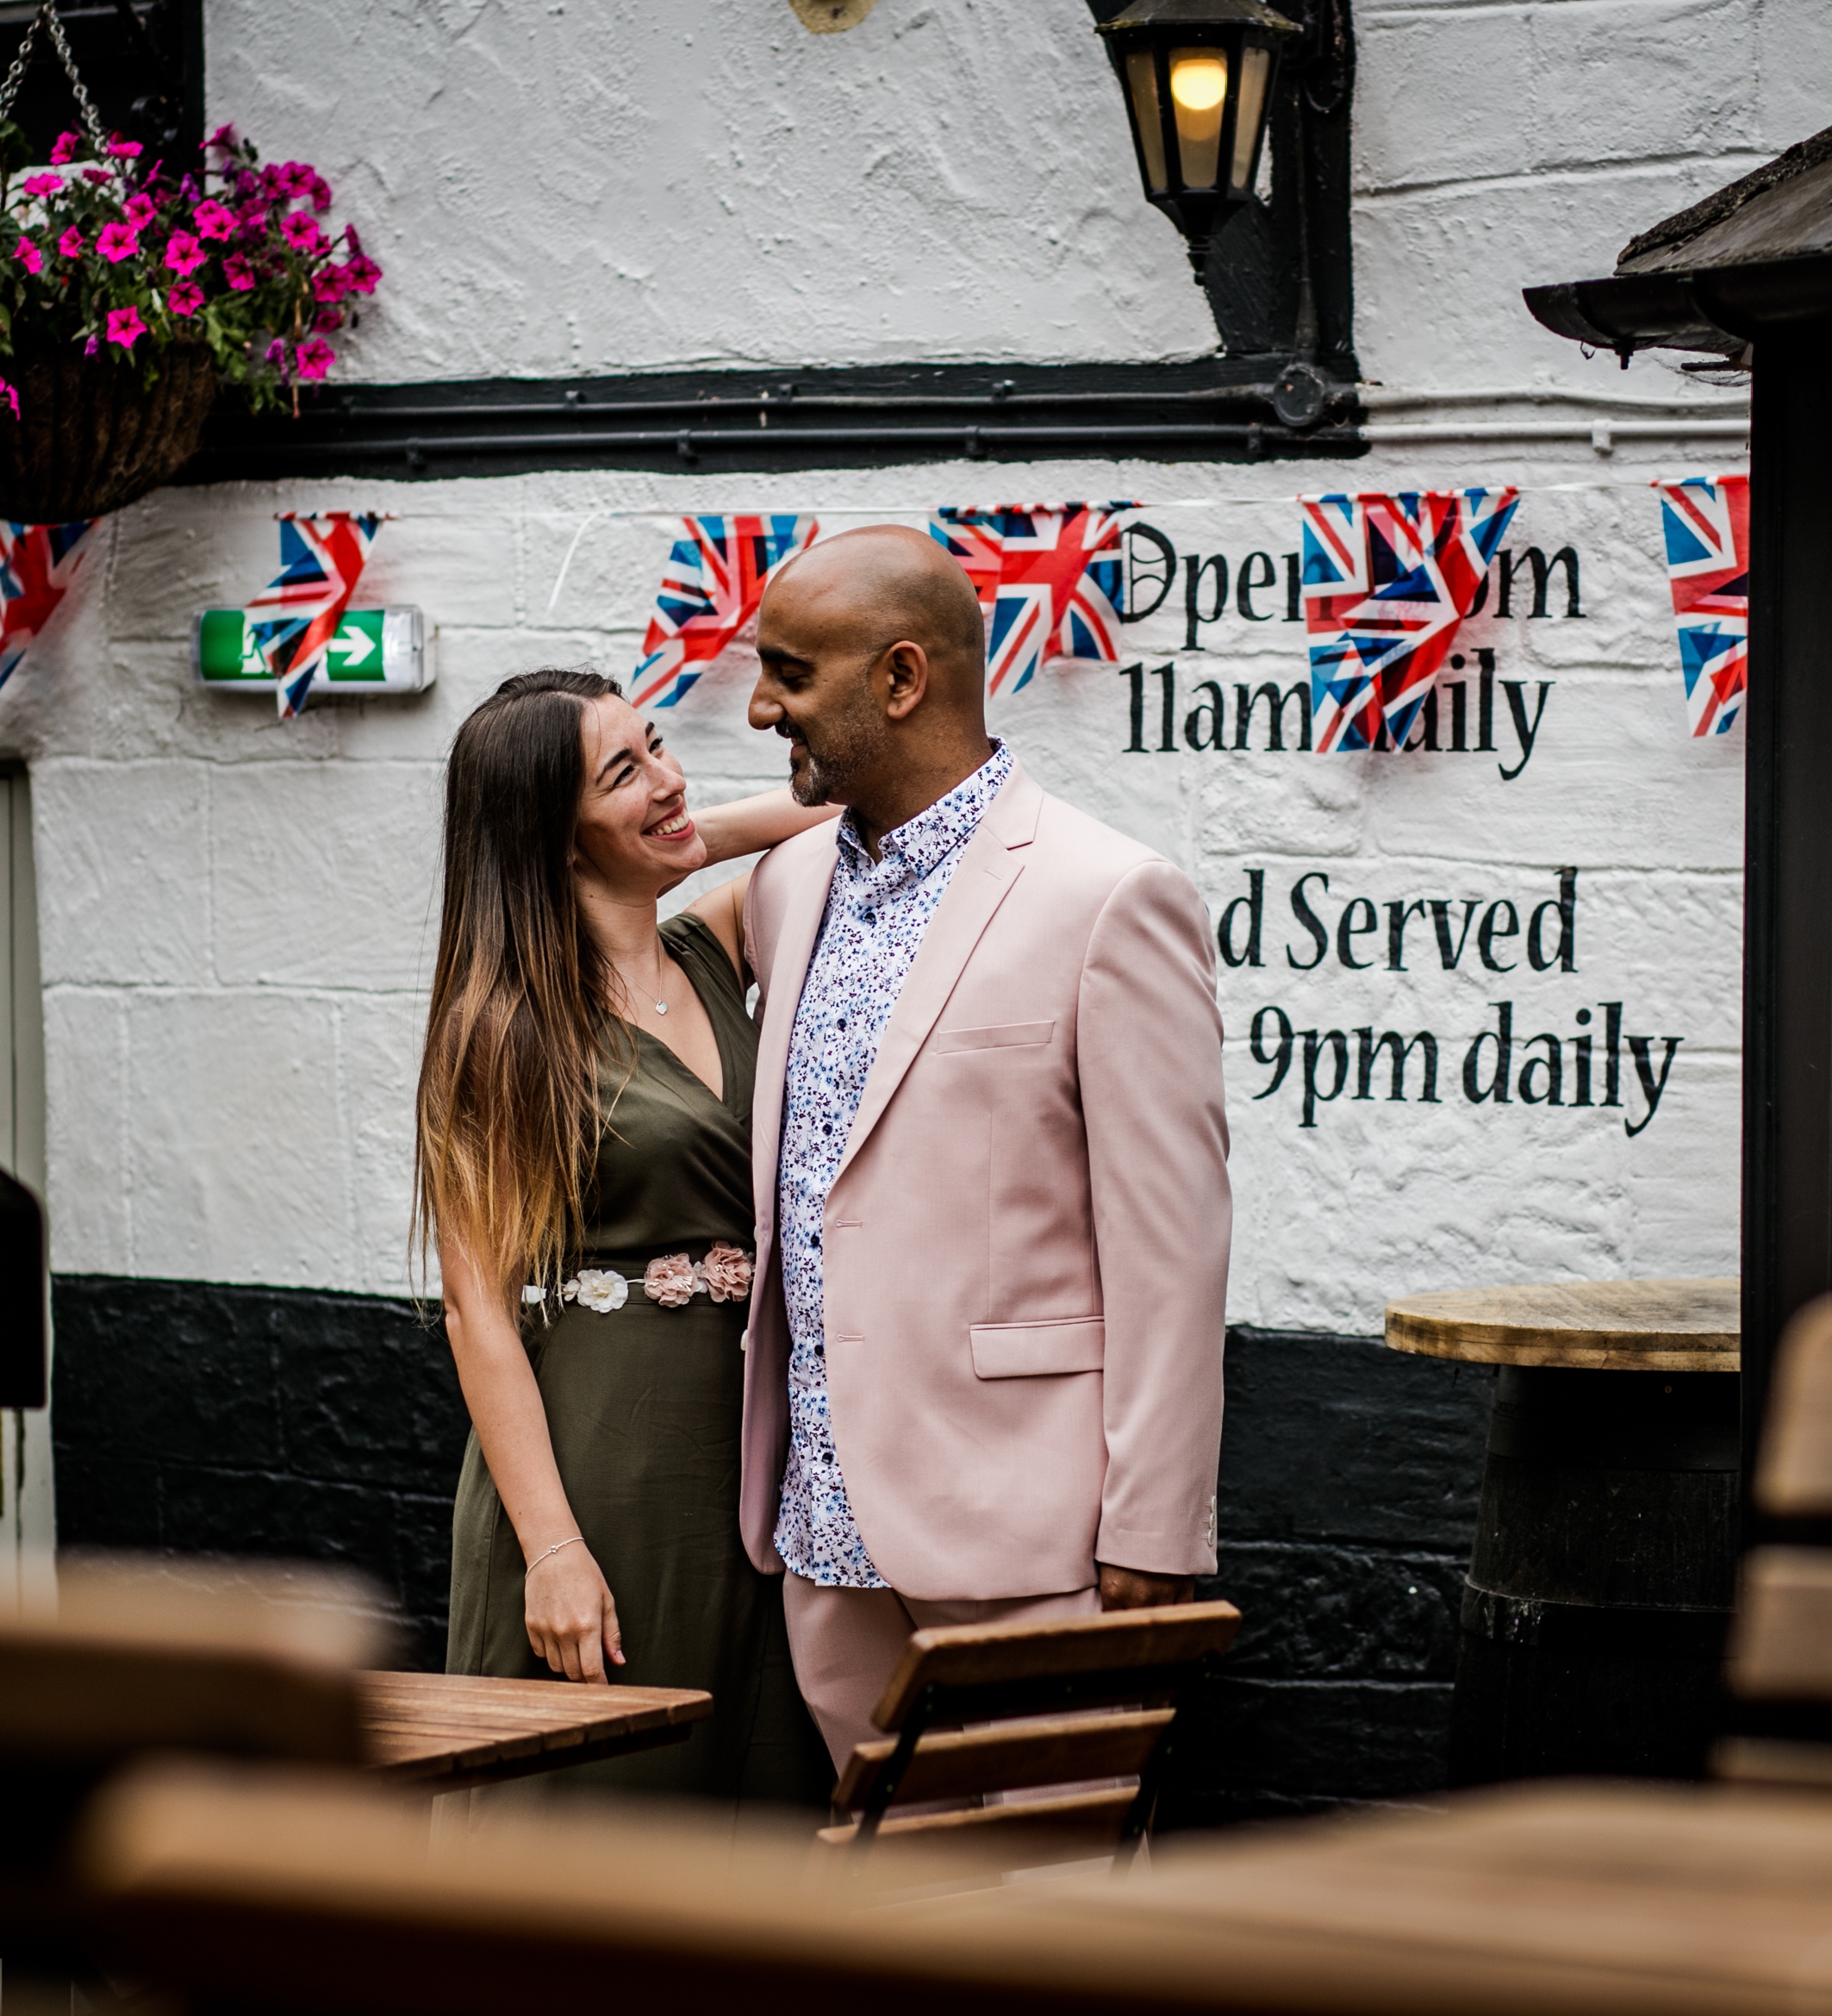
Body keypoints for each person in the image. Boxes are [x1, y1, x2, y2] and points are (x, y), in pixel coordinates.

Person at [734, 527, 1231, 1767]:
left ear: (901, 681)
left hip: (1033, 1527)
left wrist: (1154, 1529)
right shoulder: (790, 883)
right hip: (824, 1524)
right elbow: (614, 859)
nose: (757, 707)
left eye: (790, 674)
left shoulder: (1108, 894)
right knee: (890, 1896)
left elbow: (1174, 1250)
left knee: (1050, 1908)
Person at [418, 668, 834, 1809]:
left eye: (659, 746)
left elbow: (854, 808)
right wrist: (551, 1549)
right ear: (549, 840)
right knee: (596, 1818)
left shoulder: (717, 943)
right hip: (602, 1466)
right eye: (625, 772)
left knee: (747, 1809)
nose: (670, 778)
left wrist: (683, 836)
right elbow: (477, 1313)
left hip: (749, 1457)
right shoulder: (500, 1027)